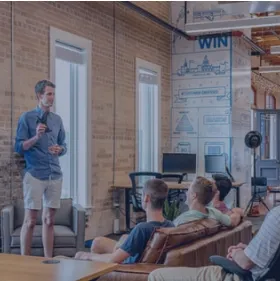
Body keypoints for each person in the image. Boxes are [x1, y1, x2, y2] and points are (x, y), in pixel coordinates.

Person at [148, 204, 280, 281]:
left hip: (240, 277)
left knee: (157, 275)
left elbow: (245, 263)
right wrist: (252, 250)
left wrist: (236, 252)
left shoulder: (277, 216)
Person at [15, 80, 67, 258]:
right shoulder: (26, 118)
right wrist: (36, 137)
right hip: (35, 175)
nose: (52, 98)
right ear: (39, 96)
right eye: (49, 94)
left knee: (49, 220)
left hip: (55, 174)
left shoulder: (57, 120)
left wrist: (60, 149)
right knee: (30, 222)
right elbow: (19, 147)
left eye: (53, 94)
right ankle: (25, 261)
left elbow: (63, 145)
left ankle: (48, 260)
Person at [75, 178, 174, 263]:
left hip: (127, 263)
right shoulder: (170, 225)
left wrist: (88, 256)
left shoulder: (142, 229)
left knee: (82, 254)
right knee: (97, 242)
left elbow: (113, 260)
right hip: (137, 254)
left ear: (146, 198)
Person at [173, 176, 241, 228]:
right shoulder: (214, 213)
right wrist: (236, 212)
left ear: (194, 195)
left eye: (188, 190)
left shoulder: (180, 221)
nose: (186, 193)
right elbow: (233, 222)